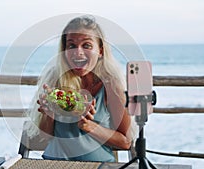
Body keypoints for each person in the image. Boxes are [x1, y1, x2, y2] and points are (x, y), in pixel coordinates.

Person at [27, 15, 137, 162]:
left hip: (98, 165)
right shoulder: (55, 80)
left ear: (100, 51)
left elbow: (125, 142)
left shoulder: (111, 85)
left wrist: (89, 126)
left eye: (87, 45)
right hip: (54, 163)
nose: (78, 52)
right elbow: (44, 139)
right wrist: (49, 115)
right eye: (71, 45)